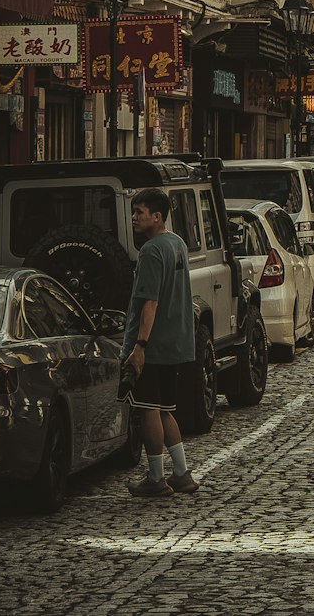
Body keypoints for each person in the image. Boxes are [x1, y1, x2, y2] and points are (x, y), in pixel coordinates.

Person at [121, 188, 198, 497]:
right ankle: (181, 473)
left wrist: (139, 346)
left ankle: (156, 478)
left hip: (152, 345)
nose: (134, 218)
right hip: (175, 343)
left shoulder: (152, 250)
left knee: (147, 409)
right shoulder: (177, 244)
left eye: (139, 212)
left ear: (157, 216)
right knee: (165, 409)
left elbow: (149, 303)